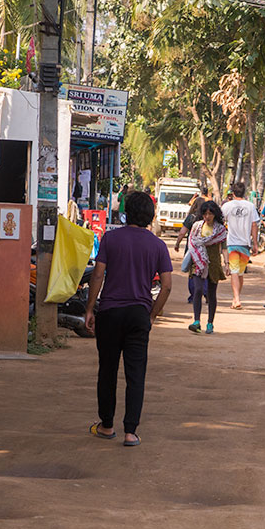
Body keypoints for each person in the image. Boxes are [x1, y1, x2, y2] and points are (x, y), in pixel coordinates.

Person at [85, 191, 172, 447]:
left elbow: (98, 275)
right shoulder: (157, 245)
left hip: (110, 313)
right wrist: (152, 314)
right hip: (139, 315)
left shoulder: (111, 238)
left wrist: (90, 308)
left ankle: (106, 425)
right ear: (151, 216)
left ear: (126, 212)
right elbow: (166, 286)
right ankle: (130, 432)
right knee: (136, 373)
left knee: (108, 370)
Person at [187, 201, 227, 334]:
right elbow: (192, 243)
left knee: (211, 294)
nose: (207, 216)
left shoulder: (221, 230)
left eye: (210, 213)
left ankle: (210, 323)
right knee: (197, 290)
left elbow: (224, 248)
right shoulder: (196, 227)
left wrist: (227, 264)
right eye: (205, 213)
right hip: (198, 263)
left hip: (213, 263)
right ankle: (196, 321)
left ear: (215, 214)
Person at [220, 182, 259, 309]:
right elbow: (254, 225)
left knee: (237, 273)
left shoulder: (227, 206)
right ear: (244, 192)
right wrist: (255, 244)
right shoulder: (250, 206)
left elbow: (220, 220)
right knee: (238, 272)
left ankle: (236, 298)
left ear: (233, 192)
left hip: (232, 243)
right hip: (245, 243)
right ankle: (236, 298)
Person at [174, 194, 207, 303]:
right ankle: (207, 294)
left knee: (193, 273)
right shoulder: (208, 218)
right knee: (205, 271)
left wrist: (177, 244)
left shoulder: (191, 218)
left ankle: (193, 296)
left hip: (192, 249)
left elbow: (182, 232)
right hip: (206, 249)